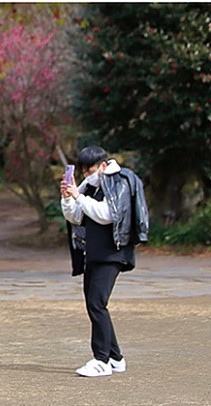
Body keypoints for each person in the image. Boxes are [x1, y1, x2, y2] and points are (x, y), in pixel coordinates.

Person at [61, 146, 149, 378]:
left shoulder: (118, 181)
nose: (86, 175)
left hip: (113, 252)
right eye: (82, 171)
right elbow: (75, 217)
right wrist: (68, 198)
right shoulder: (90, 185)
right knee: (95, 304)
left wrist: (79, 196)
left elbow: (108, 214)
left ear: (102, 165)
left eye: (89, 169)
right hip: (93, 253)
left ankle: (101, 360)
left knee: (97, 303)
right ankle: (116, 358)